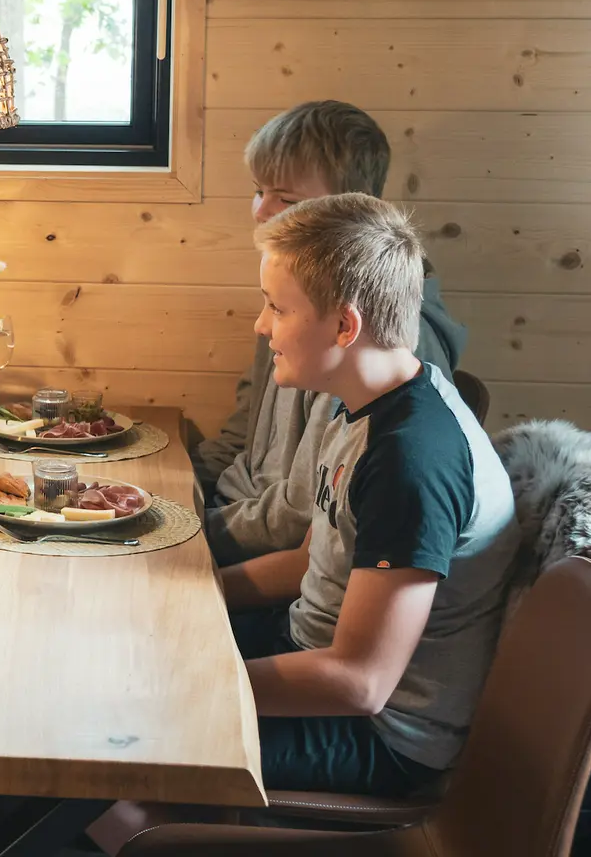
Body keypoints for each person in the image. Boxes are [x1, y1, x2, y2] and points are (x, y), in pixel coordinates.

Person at [220, 193, 518, 795]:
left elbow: (362, 682)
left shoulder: (412, 461)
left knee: (119, 726)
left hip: (379, 736)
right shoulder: (360, 403)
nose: (261, 325)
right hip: (307, 653)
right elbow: (311, 560)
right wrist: (190, 590)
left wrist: (184, 682)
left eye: (277, 308)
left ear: (344, 325)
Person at [193, 101, 469, 565]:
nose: (262, 211)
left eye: (286, 199)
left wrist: (185, 534)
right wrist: (175, 495)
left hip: (271, 558)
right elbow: (241, 436)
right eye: (258, 191)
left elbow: (308, 517)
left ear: (350, 207)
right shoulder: (292, 301)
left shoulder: (369, 341)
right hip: (231, 518)